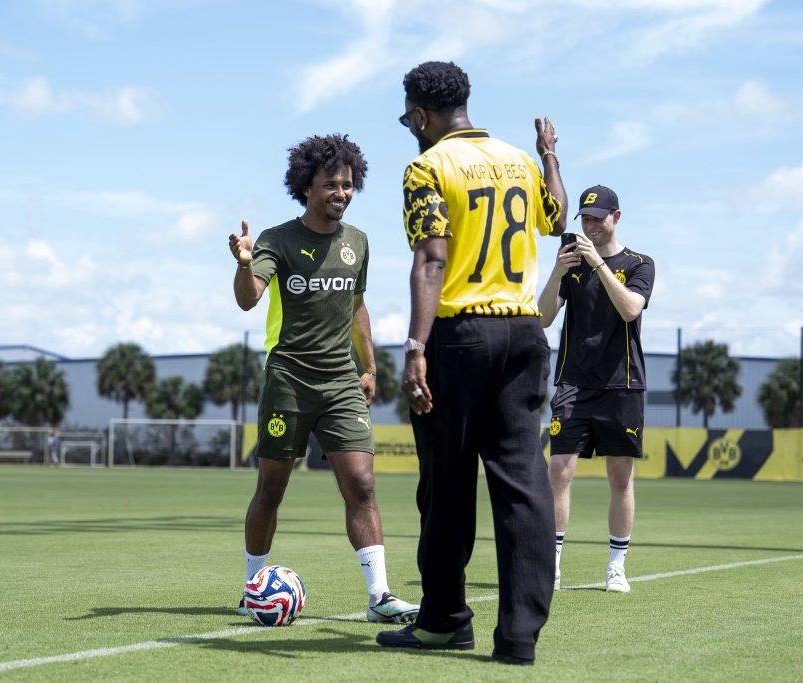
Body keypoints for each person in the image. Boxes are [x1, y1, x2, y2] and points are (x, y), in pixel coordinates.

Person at [376, 62, 567, 665]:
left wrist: (415, 347)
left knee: (446, 484)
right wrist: (550, 157)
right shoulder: (519, 160)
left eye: (410, 120)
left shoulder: (428, 167)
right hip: (524, 334)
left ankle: (444, 621)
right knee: (524, 485)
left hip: (460, 336)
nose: (412, 129)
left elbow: (432, 259)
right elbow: (557, 218)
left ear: (422, 115)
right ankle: (518, 638)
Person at [227, 133, 419, 624]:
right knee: (271, 489)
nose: (342, 192)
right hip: (288, 381)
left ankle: (380, 596)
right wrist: (245, 265)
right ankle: (253, 587)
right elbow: (249, 298)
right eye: (332, 184)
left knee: (362, 484)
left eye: (348, 184)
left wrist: (369, 367)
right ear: (307, 186)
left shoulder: (358, 242)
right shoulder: (277, 240)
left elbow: (357, 306)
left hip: (341, 384)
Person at [537, 185, 655, 593]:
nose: (590, 226)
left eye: (597, 218)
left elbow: (630, 309)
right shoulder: (572, 265)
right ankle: (551, 564)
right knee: (558, 469)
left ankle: (616, 567)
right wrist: (557, 272)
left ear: (615, 218)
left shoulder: (640, 263)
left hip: (623, 384)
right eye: (585, 219)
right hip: (573, 382)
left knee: (620, 478)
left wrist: (599, 264)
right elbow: (542, 318)